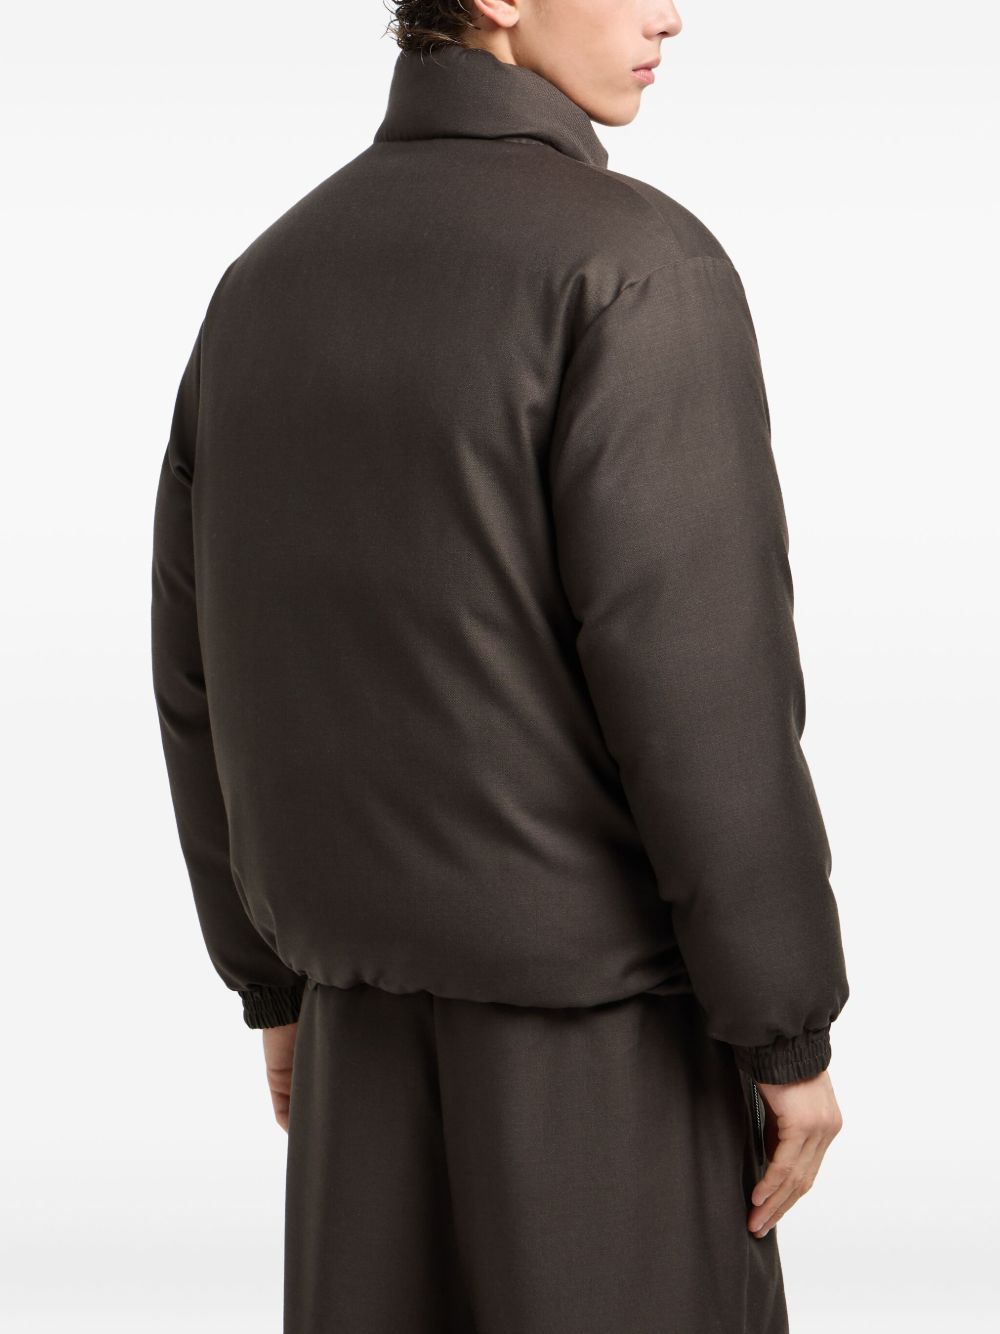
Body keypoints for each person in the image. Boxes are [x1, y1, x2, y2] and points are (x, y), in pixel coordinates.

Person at [150, 2, 850, 1330]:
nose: (670, 14)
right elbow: (705, 693)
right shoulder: (634, 267)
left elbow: (201, 666)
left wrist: (273, 985)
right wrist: (786, 1029)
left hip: (354, 1051)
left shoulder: (263, 281)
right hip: (604, 1063)